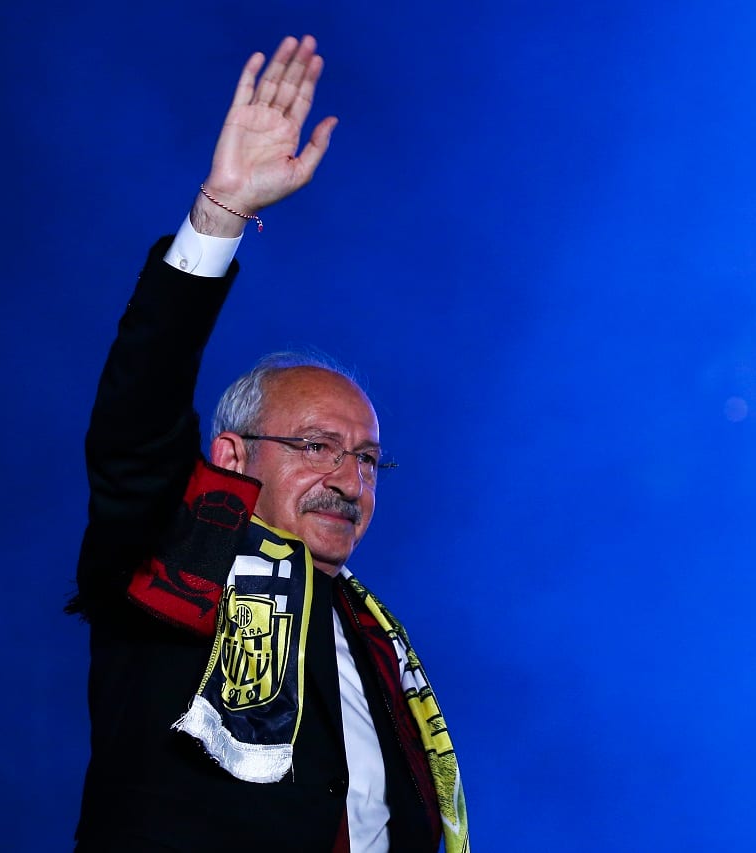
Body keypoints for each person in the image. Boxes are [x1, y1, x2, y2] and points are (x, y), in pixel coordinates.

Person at [69, 35, 469, 853]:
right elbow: (135, 421)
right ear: (232, 456)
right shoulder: (172, 555)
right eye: (318, 445)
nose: (348, 478)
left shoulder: (372, 637)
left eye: (365, 458)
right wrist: (221, 211)